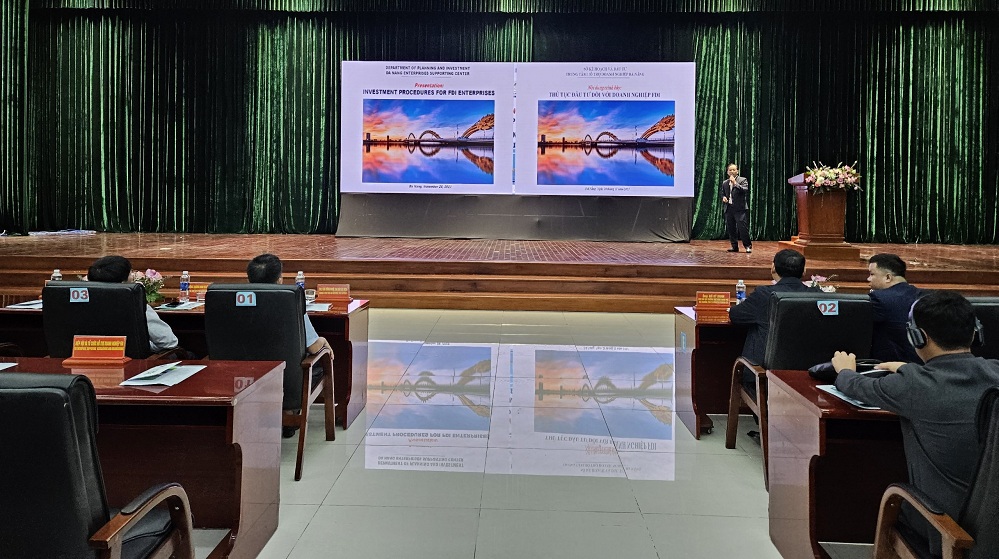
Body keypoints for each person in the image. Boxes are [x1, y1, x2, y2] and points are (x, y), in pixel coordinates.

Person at [832, 290, 999, 558]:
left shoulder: (914, 386)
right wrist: (906, 368)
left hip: (947, 531)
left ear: (917, 337)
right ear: (975, 333)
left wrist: (845, 370)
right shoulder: (995, 372)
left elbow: (856, 386)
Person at [246, 253, 332, 438]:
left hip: (242, 381)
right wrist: (324, 341)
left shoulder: (229, 300)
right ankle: (288, 413)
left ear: (249, 279)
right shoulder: (290, 301)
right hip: (287, 383)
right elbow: (314, 348)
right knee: (317, 360)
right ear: (279, 279)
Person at [730, 249, 817, 397]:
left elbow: (735, 315)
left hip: (764, 380)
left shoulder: (764, 295)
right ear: (804, 271)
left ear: (773, 268)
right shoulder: (817, 296)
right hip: (808, 379)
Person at [87, 255, 179, 352]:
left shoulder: (81, 305)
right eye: (131, 273)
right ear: (123, 282)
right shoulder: (135, 304)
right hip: (135, 359)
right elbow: (168, 342)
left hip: (88, 356)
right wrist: (145, 346)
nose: (133, 276)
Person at [867, 253, 923, 363]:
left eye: (872, 274)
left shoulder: (878, 299)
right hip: (923, 364)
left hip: (891, 368)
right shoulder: (923, 295)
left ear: (888, 277)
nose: (868, 279)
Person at [720, 163, 752, 253]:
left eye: (734, 170)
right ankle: (734, 246)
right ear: (727, 172)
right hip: (729, 208)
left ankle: (748, 246)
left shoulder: (742, 180)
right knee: (731, 228)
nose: (732, 171)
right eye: (730, 170)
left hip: (739, 209)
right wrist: (723, 197)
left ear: (737, 171)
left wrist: (735, 183)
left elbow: (745, 189)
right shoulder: (725, 183)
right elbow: (722, 193)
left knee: (742, 228)